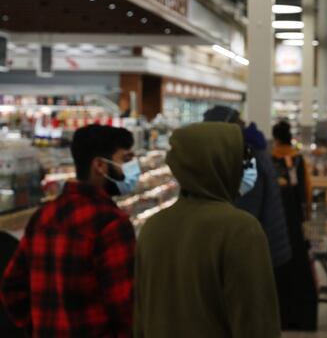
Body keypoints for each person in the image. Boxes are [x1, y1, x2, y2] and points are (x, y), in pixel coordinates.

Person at [134, 122, 280, 337]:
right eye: (240, 159)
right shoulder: (240, 229)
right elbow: (256, 322)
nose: (244, 167)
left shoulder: (153, 228)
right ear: (221, 163)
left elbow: (140, 316)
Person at [1, 125, 138, 336]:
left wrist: (38, 326)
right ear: (100, 165)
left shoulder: (44, 215)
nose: (133, 167)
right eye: (126, 159)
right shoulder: (111, 223)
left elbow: (11, 286)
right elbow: (125, 307)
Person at [203, 106, 291, 267]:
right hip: (269, 244)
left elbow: (246, 214)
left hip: (262, 253)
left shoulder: (246, 159)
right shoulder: (253, 147)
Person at [271, 120, 318, 331]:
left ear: (275, 137)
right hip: (295, 221)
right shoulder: (298, 158)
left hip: (275, 224)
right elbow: (307, 190)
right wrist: (306, 215)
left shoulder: (268, 158)